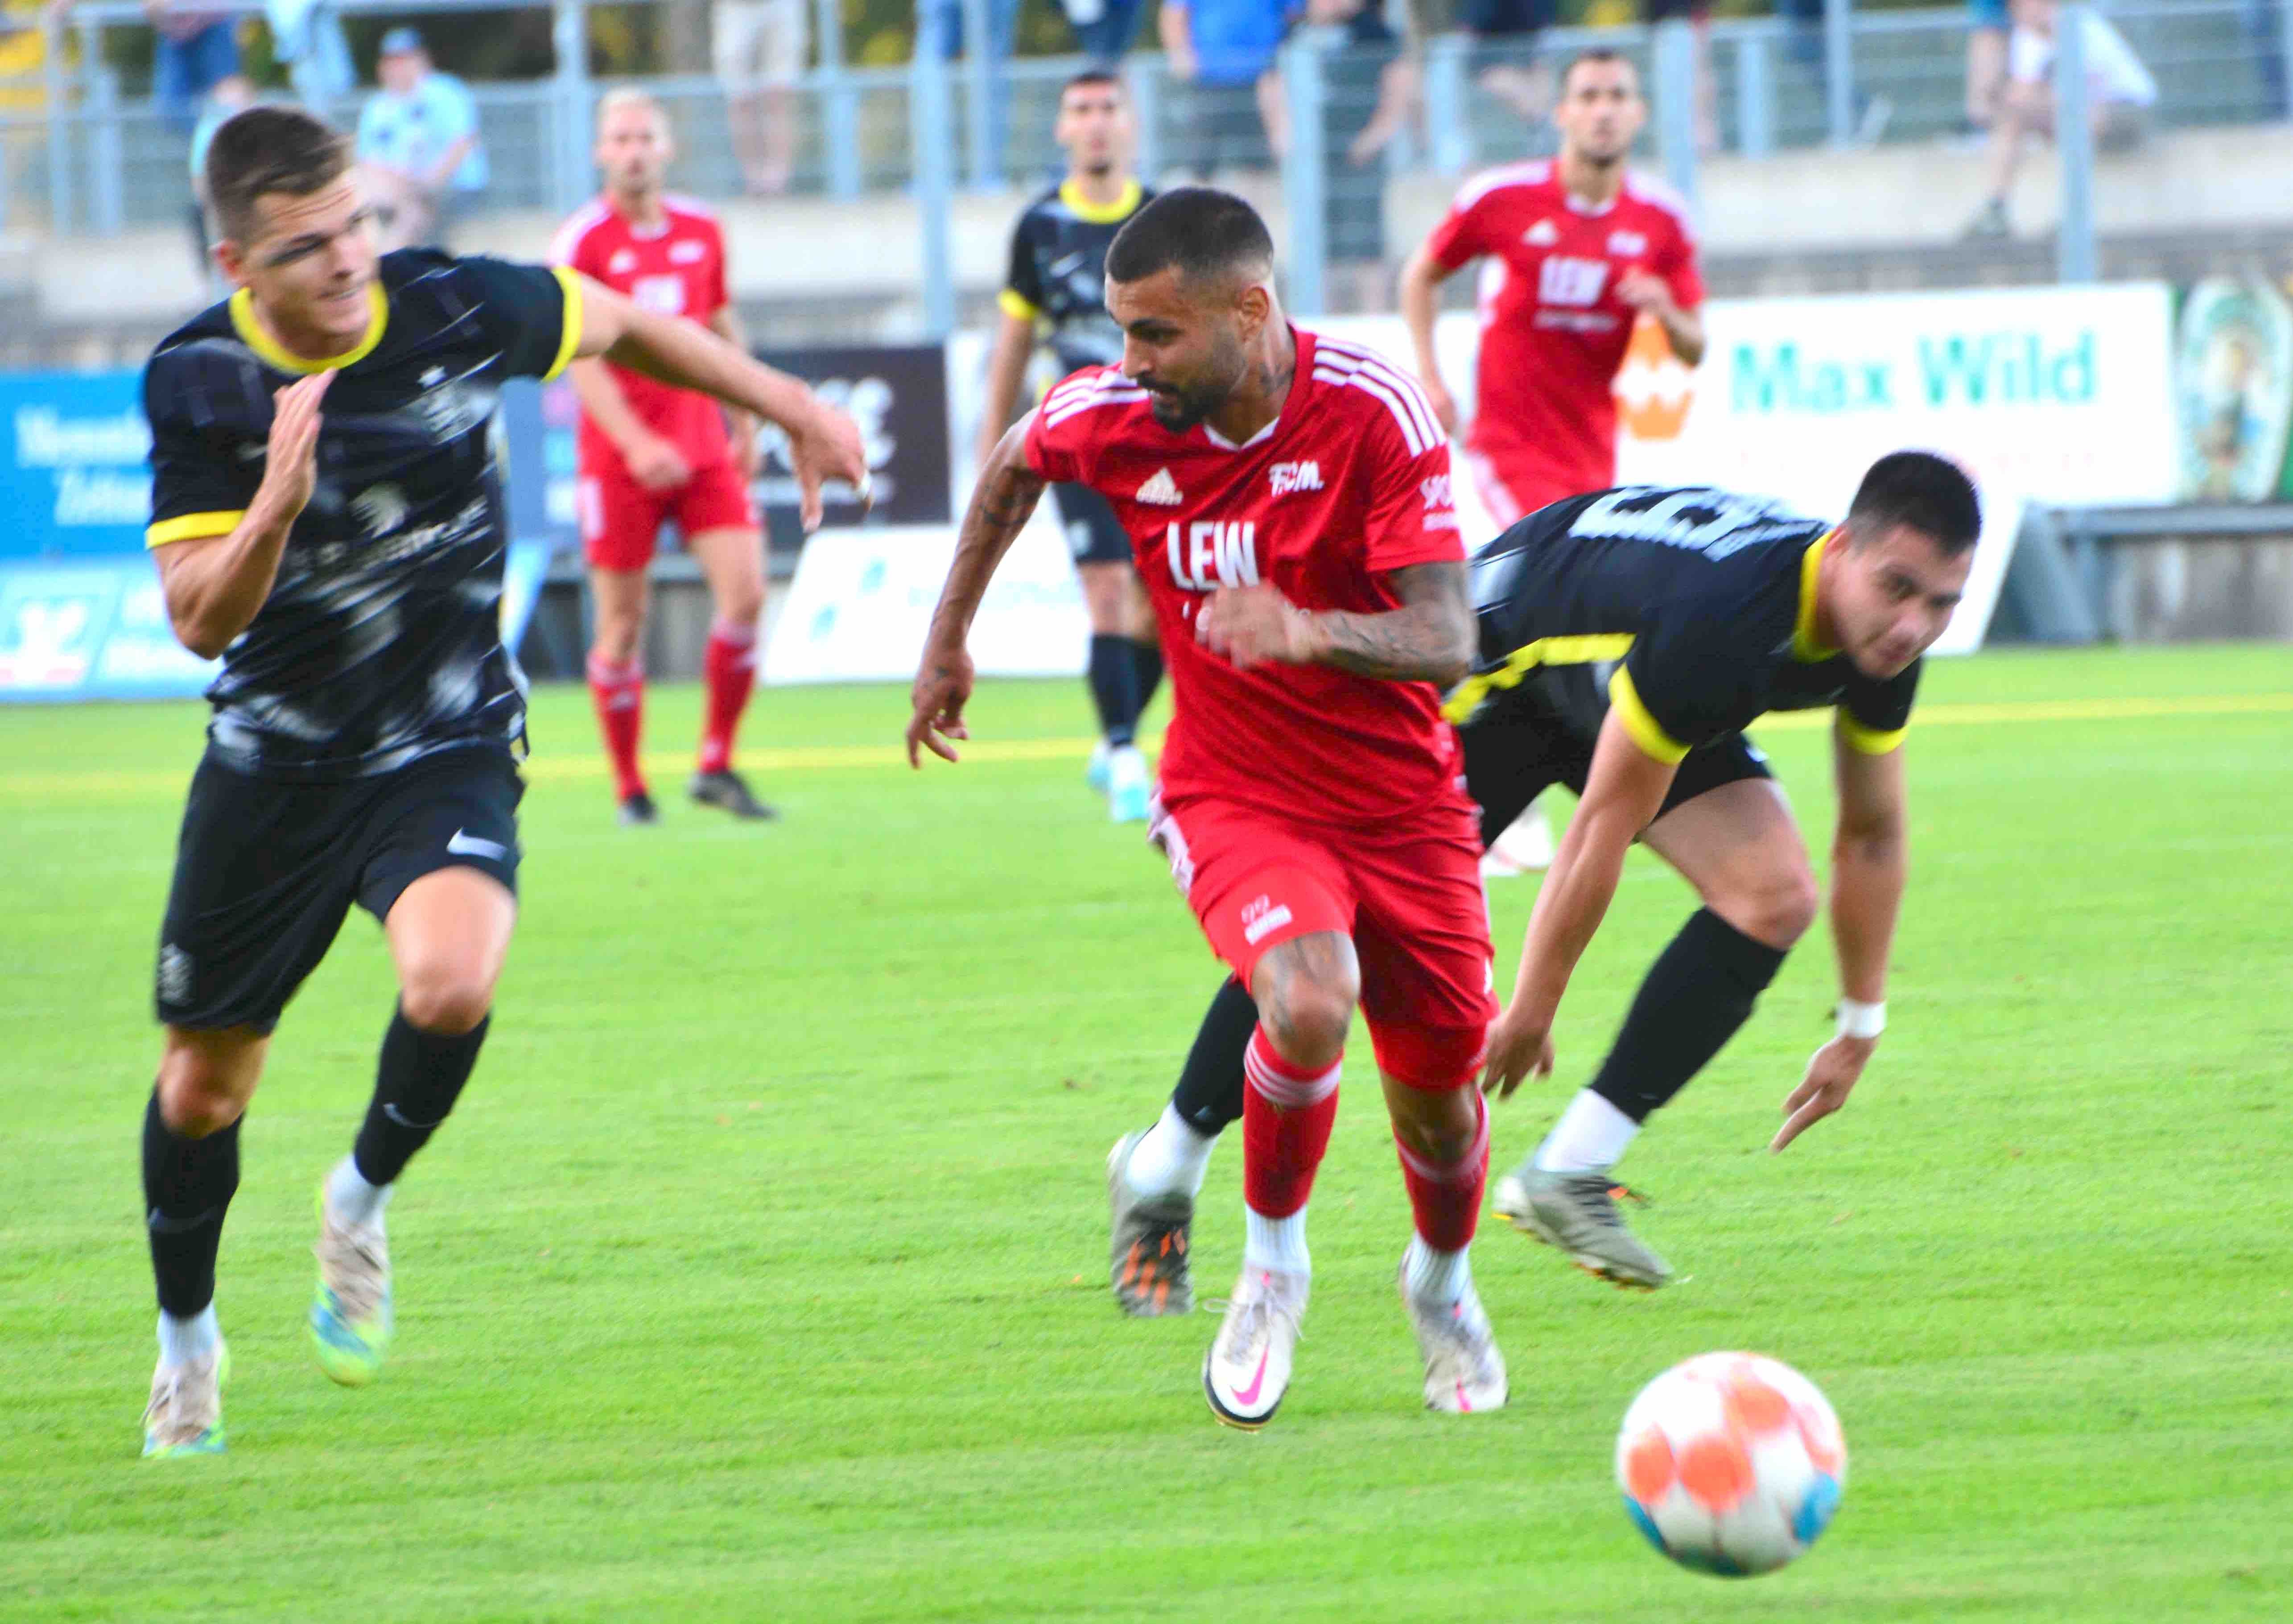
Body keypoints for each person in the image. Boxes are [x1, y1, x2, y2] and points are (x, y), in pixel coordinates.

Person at [134, 103, 864, 1458]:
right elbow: (196, 617)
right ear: (239, 262)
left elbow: (627, 322)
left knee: (453, 977)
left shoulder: (460, 304)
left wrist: (790, 404)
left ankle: (359, 1196)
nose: (351, 258)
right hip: (276, 765)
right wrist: (273, 510)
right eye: (308, 245)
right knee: (204, 1089)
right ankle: (188, 1341)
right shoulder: (197, 381)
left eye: (358, 221)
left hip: (444, 735)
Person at [1106, 456, 1981, 1312]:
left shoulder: (1875, 644)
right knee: (1340, 932)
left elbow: (1872, 836)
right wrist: (1533, 1006)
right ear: (1839, 551)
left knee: (1772, 897)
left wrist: (1862, 1024)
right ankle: (1160, 1171)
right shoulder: (1726, 623)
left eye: (1942, 602)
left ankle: (1571, 1170)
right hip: (1498, 674)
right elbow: (1601, 821)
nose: (1912, 625)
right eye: (1896, 589)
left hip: (1617, 678)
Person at [909, 188, 1507, 1426]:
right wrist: (947, 638)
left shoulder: (1371, 413)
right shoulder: (1119, 416)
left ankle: (1439, 1283)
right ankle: (1269, 1269)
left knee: (1442, 1112)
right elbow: (1014, 463)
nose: (1127, 363)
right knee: (1304, 993)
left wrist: (1302, 628)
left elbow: (1449, 637)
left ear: (1250, 309)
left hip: (1402, 810)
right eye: (1122, 334)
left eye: (1154, 334)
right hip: (1233, 793)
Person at [1398, 47, 1705, 874]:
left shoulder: (1660, 223)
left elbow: (1695, 346)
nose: (1603, 109)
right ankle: (1496, 803)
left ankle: (1532, 787)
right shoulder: (1503, 200)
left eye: (1616, 96)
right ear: (1561, 113)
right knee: (1537, 606)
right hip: (1504, 444)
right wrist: (1430, 375)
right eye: (1588, 96)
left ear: (1636, 113)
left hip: (1590, 458)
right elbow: (1422, 273)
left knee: (1559, 621)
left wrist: (1665, 311)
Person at [553, 91, 779, 826]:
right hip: (618, 459)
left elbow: (719, 326)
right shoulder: (583, 241)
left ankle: (715, 761)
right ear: (600, 152)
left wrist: (747, 418)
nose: (633, 150)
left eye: (645, 136)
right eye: (619, 137)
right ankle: (629, 788)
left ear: (667, 146)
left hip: (703, 445)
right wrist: (635, 442)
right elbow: (581, 362)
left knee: (746, 593)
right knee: (622, 621)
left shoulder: (703, 228)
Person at [976, 70, 1162, 821]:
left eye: (1107, 109)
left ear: (1130, 124)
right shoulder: (1038, 225)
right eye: (1080, 110)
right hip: (1081, 438)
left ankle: (1112, 739)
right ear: (1060, 129)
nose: (1094, 124)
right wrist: (995, 445)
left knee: (1156, 605)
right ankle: (1122, 750)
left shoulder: (1161, 218)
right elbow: (1015, 340)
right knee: (1108, 590)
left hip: (1161, 438)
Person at [1963, 0, 2156, 240]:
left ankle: (2076, 216)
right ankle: (1996, 209)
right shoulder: (2027, 39)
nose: (2019, 13)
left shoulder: (2082, 27)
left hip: (2125, 112)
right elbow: (2022, 96)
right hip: (2074, 113)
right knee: (2012, 119)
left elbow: (2088, 91)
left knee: (2084, 118)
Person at [355, 28, 486, 253]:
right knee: (382, 199)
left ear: (422, 60)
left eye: (405, 59)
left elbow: (463, 144)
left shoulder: (445, 92)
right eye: (393, 61)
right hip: (398, 189)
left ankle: (382, 271)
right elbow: (366, 160)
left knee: (412, 207)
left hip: (452, 187)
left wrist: (427, 182)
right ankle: (382, 263)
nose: (399, 67)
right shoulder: (378, 106)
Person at [1160, 0, 1290, 177]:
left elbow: (1294, 14)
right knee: (1200, 164)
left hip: (1261, 83)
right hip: (1208, 82)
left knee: (1261, 166)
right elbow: (1174, 14)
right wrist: (1181, 56)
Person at [714, 0, 807, 195]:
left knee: (779, 96)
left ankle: (778, 182)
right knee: (740, 98)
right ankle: (753, 181)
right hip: (735, 7)